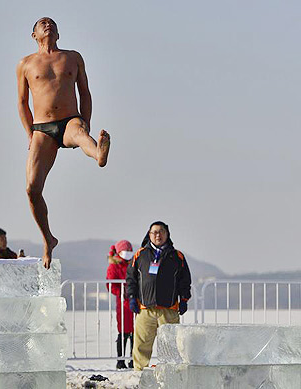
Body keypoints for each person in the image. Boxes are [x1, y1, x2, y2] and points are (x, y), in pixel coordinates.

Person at [17, 17, 111, 269]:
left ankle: (99, 154)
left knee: (81, 135)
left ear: (58, 33)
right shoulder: (26, 64)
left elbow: (85, 91)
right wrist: (29, 134)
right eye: (42, 23)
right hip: (42, 129)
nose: (48, 25)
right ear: (34, 34)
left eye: (52, 23)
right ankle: (48, 239)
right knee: (31, 189)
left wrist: (86, 121)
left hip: (70, 119)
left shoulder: (72, 57)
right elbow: (22, 102)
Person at [126, 222, 192, 371]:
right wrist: (131, 297)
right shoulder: (140, 254)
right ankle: (140, 374)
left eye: (161, 231)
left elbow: (185, 280)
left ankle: (170, 372)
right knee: (141, 344)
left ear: (167, 234)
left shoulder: (177, 256)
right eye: (154, 232)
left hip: (169, 309)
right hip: (145, 308)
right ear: (149, 235)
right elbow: (131, 278)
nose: (158, 235)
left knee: (171, 344)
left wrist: (185, 299)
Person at [106, 240, 135, 369]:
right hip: (122, 303)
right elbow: (111, 284)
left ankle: (133, 359)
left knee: (136, 332)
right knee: (123, 331)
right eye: (125, 250)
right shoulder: (114, 266)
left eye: (130, 250)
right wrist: (121, 292)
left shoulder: (134, 264)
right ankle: (120, 359)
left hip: (135, 302)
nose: (128, 253)